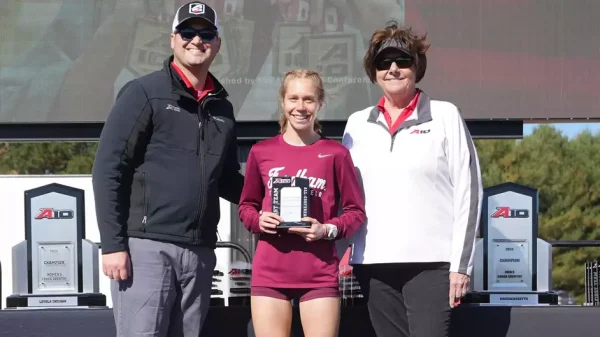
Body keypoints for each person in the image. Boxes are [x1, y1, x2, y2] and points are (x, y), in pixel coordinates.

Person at [91, 2, 244, 337]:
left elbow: (229, 180)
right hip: (146, 248)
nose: (196, 40)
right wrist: (113, 244)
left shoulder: (223, 108)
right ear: (173, 39)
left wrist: (268, 198)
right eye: (188, 32)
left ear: (217, 43)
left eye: (206, 34)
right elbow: (108, 169)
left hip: (201, 251)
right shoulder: (144, 92)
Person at [342, 21, 484, 337]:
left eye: (402, 61)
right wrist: (345, 249)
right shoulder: (356, 125)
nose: (393, 69)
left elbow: (469, 192)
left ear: (416, 67)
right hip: (373, 265)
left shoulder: (445, 115)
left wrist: (461, 266)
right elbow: (346, 195)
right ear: (373, 71)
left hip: (432, 265)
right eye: (383, 62)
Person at [238, 69, 367, 337]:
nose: (300, 107)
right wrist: (259, 220)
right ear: (283, 102)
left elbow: (355, 212)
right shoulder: (261, 152)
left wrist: (326, 229)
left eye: (308, 99)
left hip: (319, 272)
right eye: (293, 98)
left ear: (320, 103)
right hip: (270, 272)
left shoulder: (336, 154)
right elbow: (246, 207)